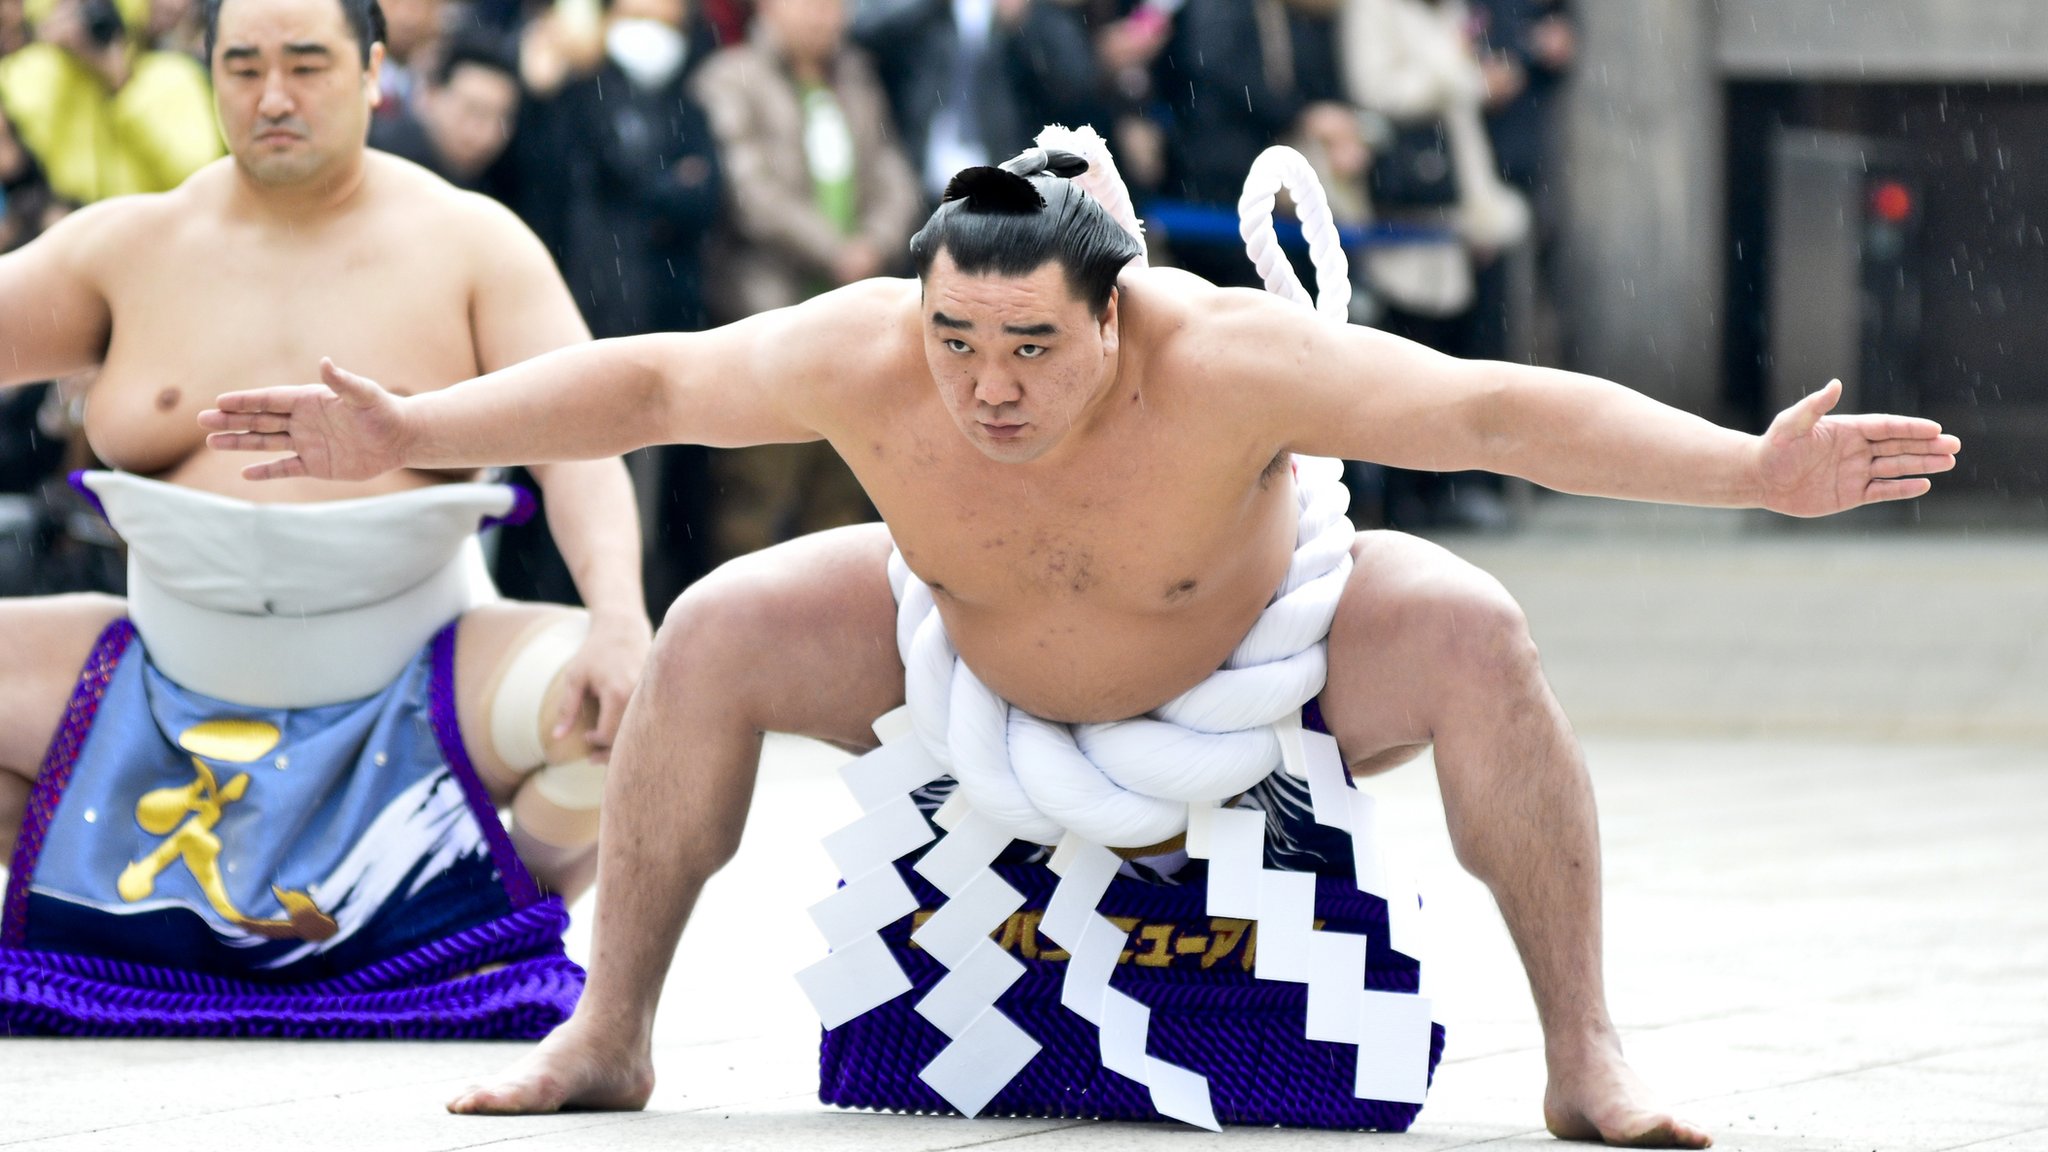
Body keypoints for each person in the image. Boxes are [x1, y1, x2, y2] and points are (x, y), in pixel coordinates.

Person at [204, 146, 1959, 1145]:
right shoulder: (870, 353)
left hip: (1259, 664)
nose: (985, 385)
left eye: (1030, 345)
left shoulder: (1234, 359)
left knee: (1477, 629)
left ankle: (1581, 1053)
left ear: (1116, 314)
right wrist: (418, 429)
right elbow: (655, 381)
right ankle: (610, 1031)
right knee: (725, 620)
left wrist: (1746, 470)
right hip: (960, 648)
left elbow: (1491, 407)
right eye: (956, 335)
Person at [0, 0, 650, 1028]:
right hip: (163, 662)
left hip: (418, 659)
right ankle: (128, 918)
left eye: (306, 64)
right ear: (206, 74)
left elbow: (583, 449)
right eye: (243, 66)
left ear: (374, 72)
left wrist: (619, 613)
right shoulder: (123, 247)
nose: (273, 96)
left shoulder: (473, 242)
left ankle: (459, 925)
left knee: (636, 708)